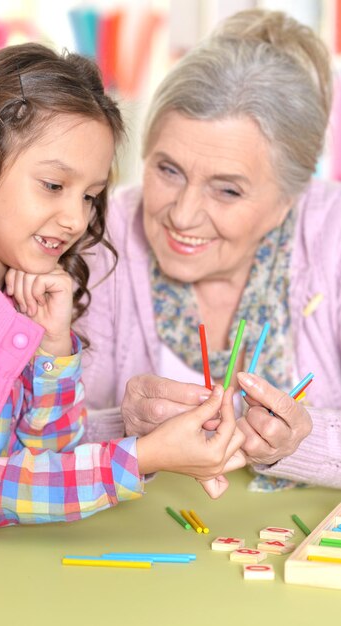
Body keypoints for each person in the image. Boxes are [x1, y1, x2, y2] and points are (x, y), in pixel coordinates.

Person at [0, 42, 247, 534]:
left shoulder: (17, 287)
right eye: (54, 185)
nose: (77, 219)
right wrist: (142, 456)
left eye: (92, 196)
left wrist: (53, 348)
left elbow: (40, 459)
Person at [78, 9, 341, 489]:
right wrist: (125, 429)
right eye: (168, 170)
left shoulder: (332, 236)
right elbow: (19, 438)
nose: (182, 214)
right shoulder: (101, 232)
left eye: (227, 190)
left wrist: (306, 439)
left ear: (287, 201)